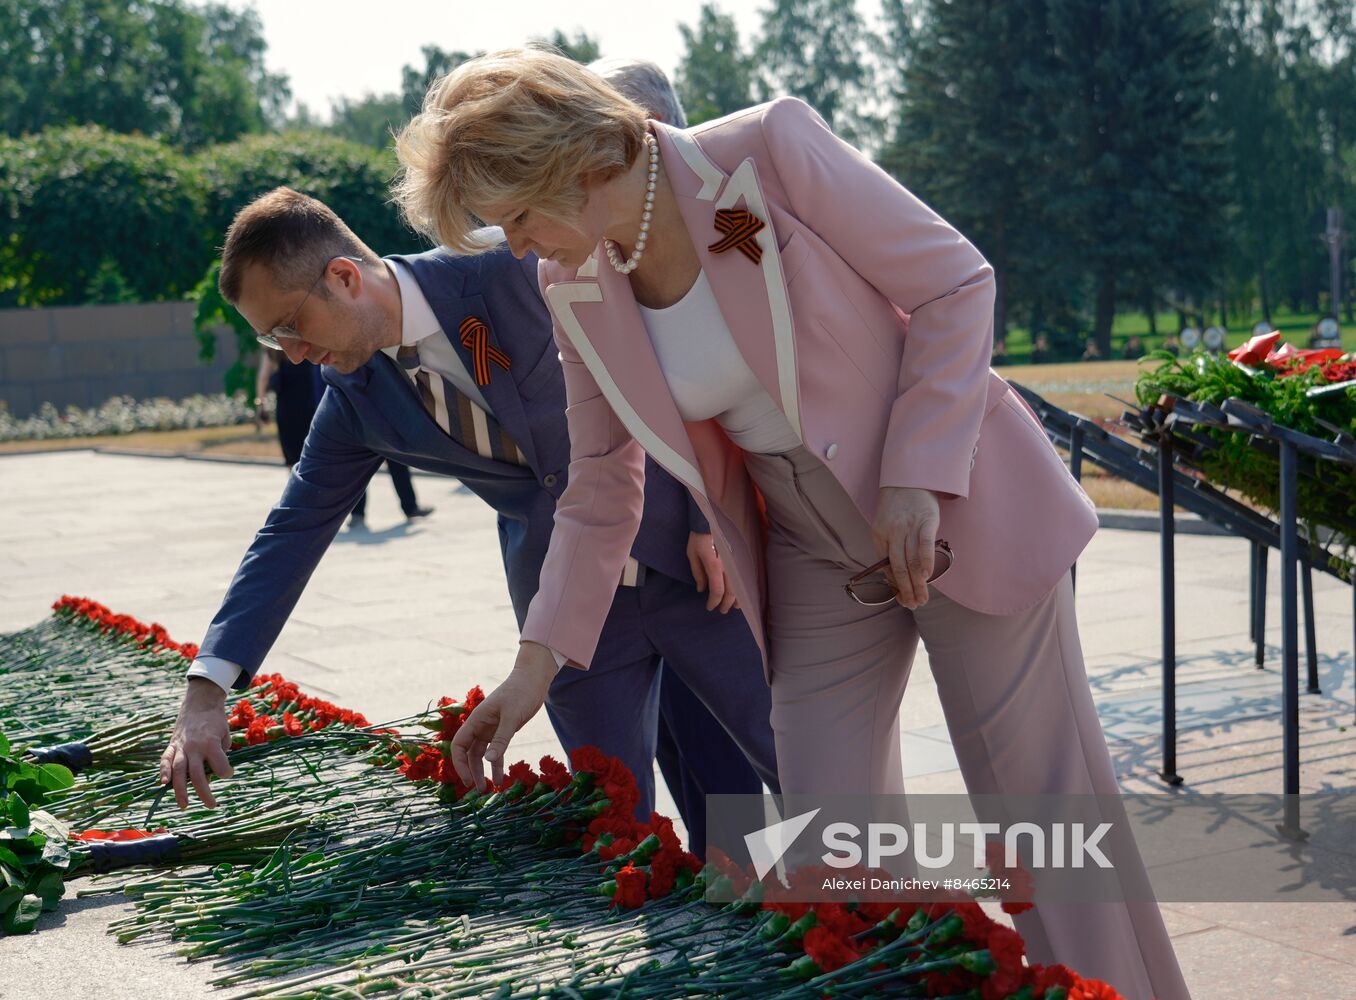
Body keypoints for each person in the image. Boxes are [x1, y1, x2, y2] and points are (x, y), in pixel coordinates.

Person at [392, 49, 1188, 999]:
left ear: (564, 162)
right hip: (810, 546)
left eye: (515, 217)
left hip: (956, 502)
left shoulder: (766, 152)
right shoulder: (577, 289)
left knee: (1043, 819)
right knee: (824, 842)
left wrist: (916, 475)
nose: (515, 247)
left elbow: (954, 284)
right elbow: (603, 482)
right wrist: (533, 670)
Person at [158, 188, 779, 854]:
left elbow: (668, 353)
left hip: (692, 563)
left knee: (797, 769)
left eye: (288, 326)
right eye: (270, 339)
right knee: (616, 832)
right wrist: (205, 689)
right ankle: (711, 946)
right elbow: (291, 529)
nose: (291, 354)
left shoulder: (515, 264)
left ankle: (874, 925)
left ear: (342, 277)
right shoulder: (355, 399)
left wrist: (705, 510)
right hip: (563, 613)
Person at [589, 55, 765, 839]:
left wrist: (708, 521)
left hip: (708, 551)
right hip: (616, 559)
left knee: (748, 758)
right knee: (679, 759)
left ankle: (801, 908)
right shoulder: (599, 256)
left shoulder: (741, 212)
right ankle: (728, 916)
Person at [254, 345, 324, 467]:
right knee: (316, 454)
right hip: (311, 404)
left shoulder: (273, 346)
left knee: (293, 458)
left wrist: (261, 407)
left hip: (287, 409)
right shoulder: (307, 342)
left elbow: (263, 377)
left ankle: (297, 484)